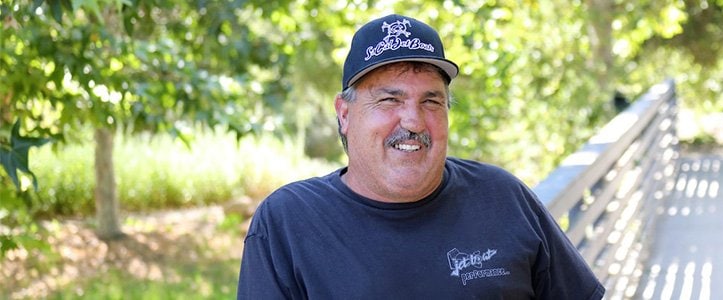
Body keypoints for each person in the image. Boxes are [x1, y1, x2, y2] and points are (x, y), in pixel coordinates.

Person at [237, 14, 605, 299]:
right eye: (389, 100)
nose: (413, 121)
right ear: (345, 114)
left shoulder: (503, 196)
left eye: (431, 101)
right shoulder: (288, 222)